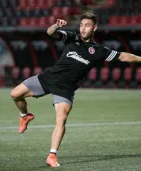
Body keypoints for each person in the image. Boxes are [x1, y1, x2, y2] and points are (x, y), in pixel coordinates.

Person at [10, 12, 141, 168]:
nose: (83, 29)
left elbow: (123, 56)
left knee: (61, 119)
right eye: (81, 25)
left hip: (65, 89)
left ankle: (52, 155)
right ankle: (25, 116)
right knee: (15, 94)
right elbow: (50, 33)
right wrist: (56, 25)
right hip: (48, 78)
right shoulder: (73, 37)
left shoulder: (99, 51)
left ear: (94, 28)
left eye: (87, 25)